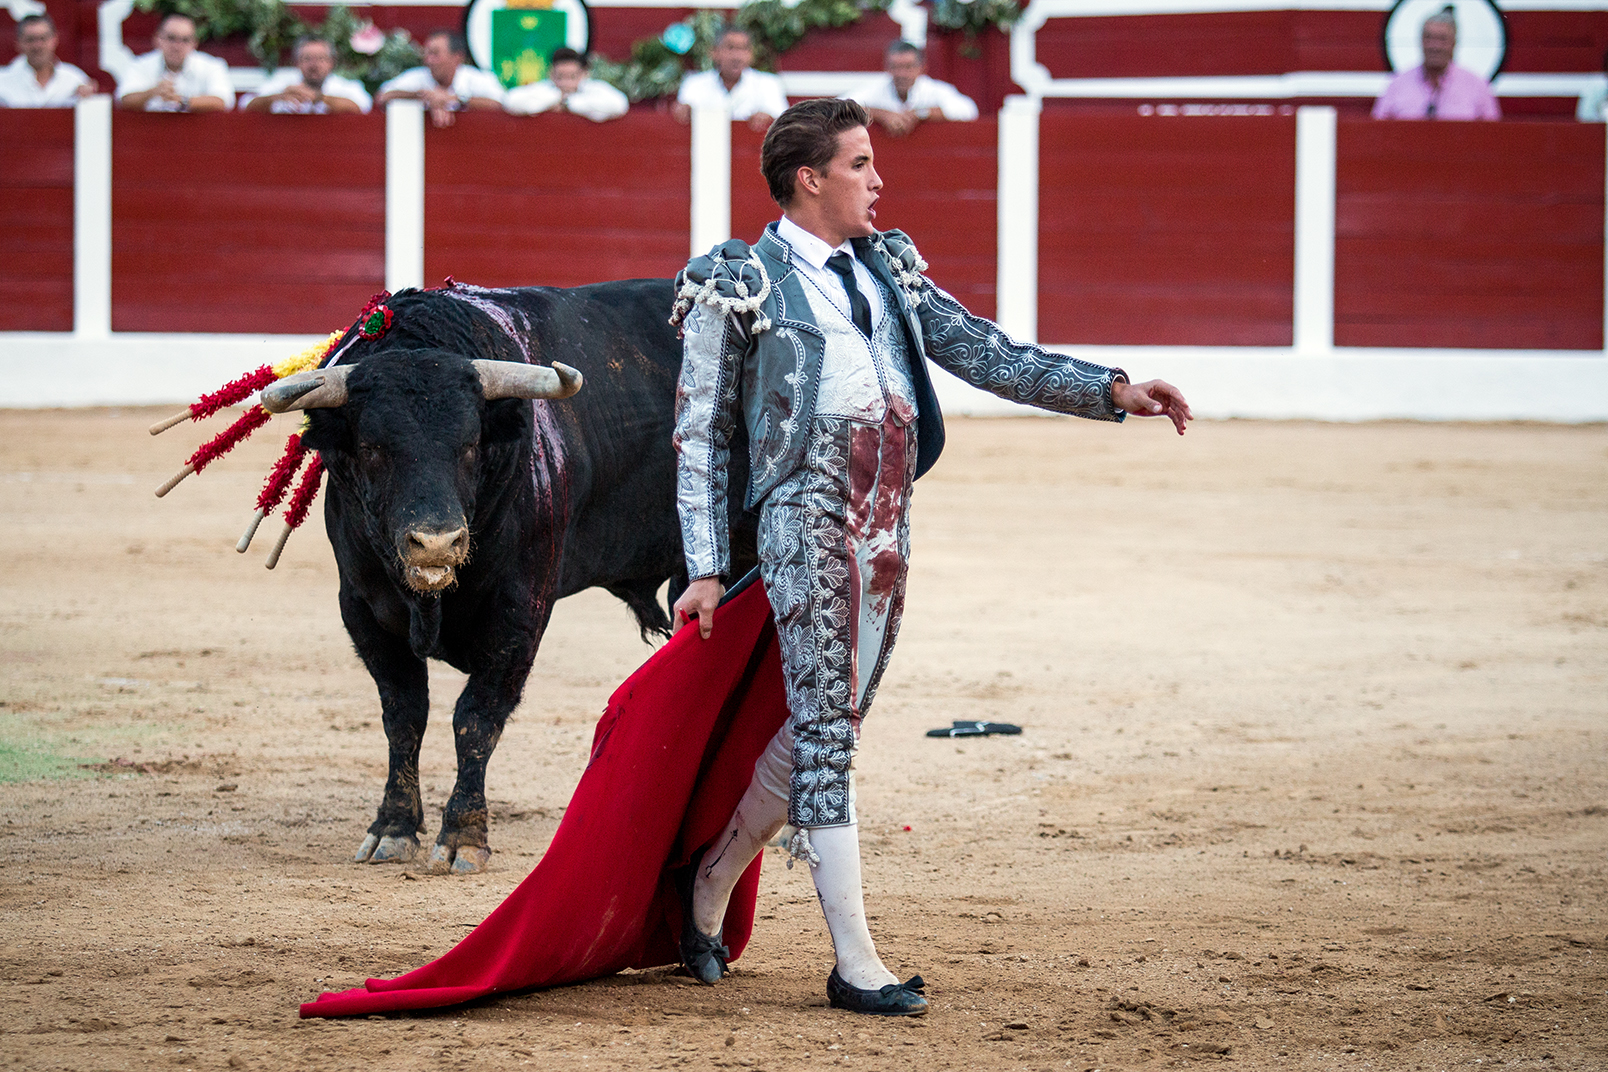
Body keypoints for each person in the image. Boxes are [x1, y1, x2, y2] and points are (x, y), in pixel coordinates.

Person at [668, 98, 1190, 1016]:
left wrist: (1111, 391)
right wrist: (706, 564)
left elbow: (987, 353)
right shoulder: (740, 280)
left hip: (885, 528)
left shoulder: (888, 268)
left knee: (832, 728)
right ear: (810, 179)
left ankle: (708, 883)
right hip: (806, 519)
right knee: (828, 737)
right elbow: (702, 435)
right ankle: (855, 964)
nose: (880, 180)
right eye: (863, 164)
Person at [1372, 6, 1499, 121]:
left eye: (1442, 39)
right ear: (1420, 41)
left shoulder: (1477, 86)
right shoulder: (1397, 85)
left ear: (1454, 43)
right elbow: (1378, 131)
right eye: (1429, 38)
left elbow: (1492, 135)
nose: (1435, 46)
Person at [844, 41, 977, 136]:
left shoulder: (934, 89)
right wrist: (880, 114)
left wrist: (920, 114)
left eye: (908, 67)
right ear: (887, 68)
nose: (902, 73)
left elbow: (968, 110)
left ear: (921, 68)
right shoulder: (877, 88)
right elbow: (840, 108)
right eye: (896, 67)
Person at [375, 29, 503, 128]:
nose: (428, 60)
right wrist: (424, 96)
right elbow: (382, 97)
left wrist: (454, 99)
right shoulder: (418, 76)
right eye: (427, 53)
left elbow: (499, 103)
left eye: (435, 54)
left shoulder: (474, 78)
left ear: (457, 58)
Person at [671, 25, 787, 132]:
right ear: (714, 52)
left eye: (743, 49)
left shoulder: (769, 84)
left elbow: (782, 123)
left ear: (751, 54)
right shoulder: (694, 84)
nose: (737, 56)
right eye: (730, 48)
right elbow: (681, 118)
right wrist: (683, 111)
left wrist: (768, 118)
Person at [116, 12, 233, 113]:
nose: (177, 46)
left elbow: (222, 101)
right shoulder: (140, 65)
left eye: (185, 40)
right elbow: (124, 100)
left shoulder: (212, 66)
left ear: (194, 43)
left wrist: (182, 101)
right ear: (157, 39)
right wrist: (154, 92)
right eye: (171, 38)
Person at [245, 35, 370, 114]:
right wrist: (278, 97)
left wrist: (319, 98)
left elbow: (362, 107)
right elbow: (247, 105)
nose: (314, 65)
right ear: (297, 63)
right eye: (307, 58)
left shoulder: (345, 86)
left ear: (331, 62)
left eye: (320, 58)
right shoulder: (282, 84)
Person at [504, 47, 627, 122]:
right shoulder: (543, 88)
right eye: (560, 76)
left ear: (584, 74)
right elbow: (511, 101)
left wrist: (568, 104)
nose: (566, 83)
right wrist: (553, 99)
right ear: (551, 74)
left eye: (572, 77)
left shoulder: (594, 88)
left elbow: (619, 105)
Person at [0, 14, 96, 107]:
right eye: (30, 39)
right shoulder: (2, 82)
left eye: (43, 38)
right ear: (18, 43)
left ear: (54, 40)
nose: (37, 46)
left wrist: (88, 97)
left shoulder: (74, 80)